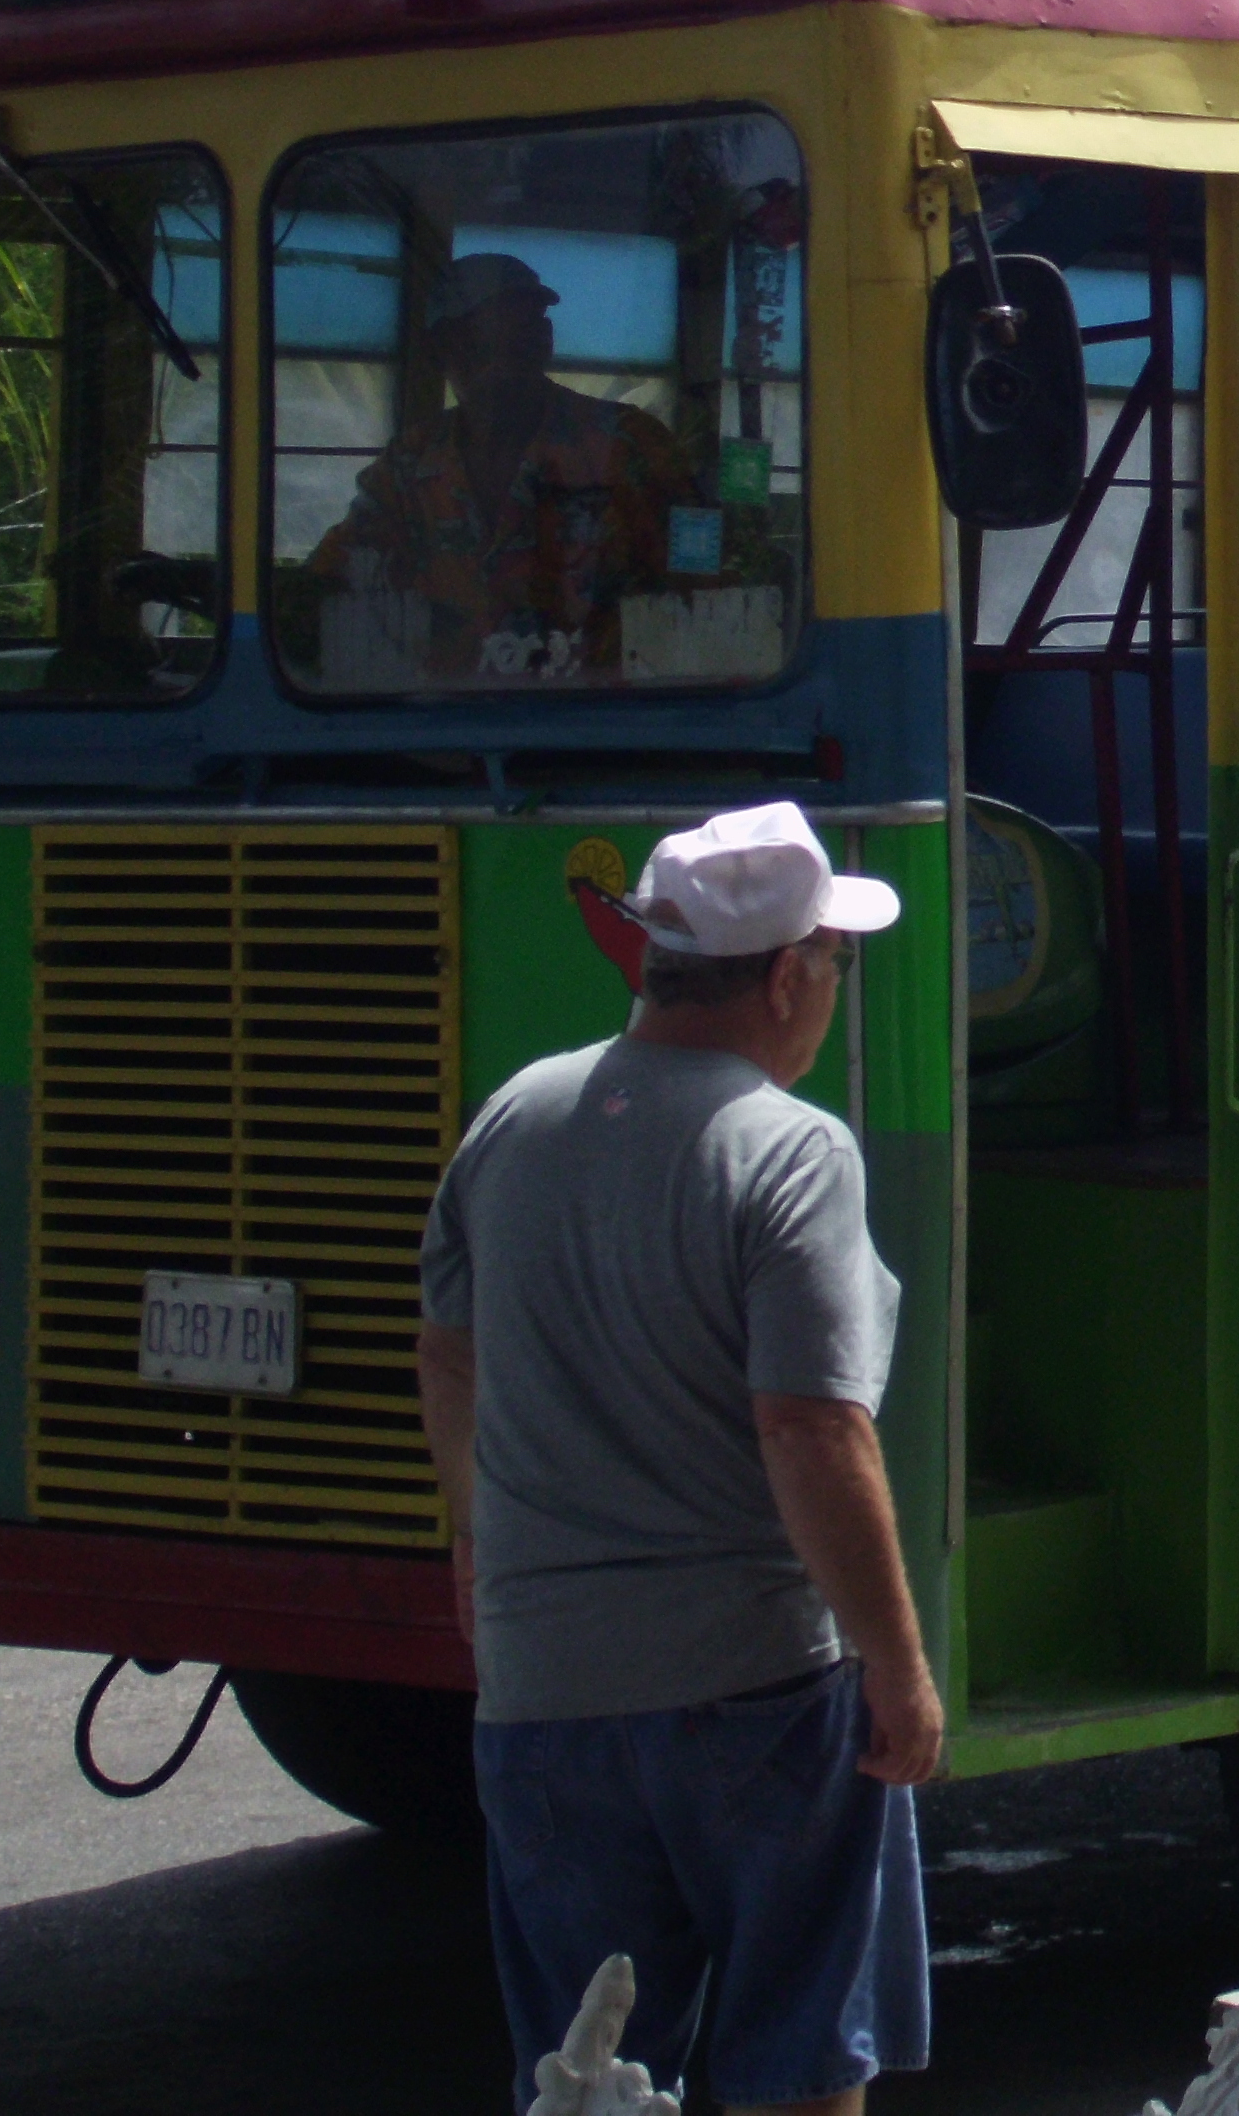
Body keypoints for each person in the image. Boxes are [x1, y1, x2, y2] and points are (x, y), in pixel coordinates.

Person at [416, 801, 938, 2116]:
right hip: (752, 1693)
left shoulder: (514, 1119)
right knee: (798, 2057)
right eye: (833, 962)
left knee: (588, 2074)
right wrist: (895, 1662)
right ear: (782, 976)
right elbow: (812, 1426)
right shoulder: (791, 1149)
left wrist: (479, 1547)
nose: (829, 991)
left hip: (540, 1695)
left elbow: (450, 1356)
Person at [312, 249, 692, 682]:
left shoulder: (629, 443)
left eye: (532, 323)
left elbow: (705, 587)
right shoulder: (408, 464)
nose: (521, 339)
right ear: (441, 347)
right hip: (448, 724)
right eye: (494, 326)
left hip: (598, 721)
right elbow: (335, 580)